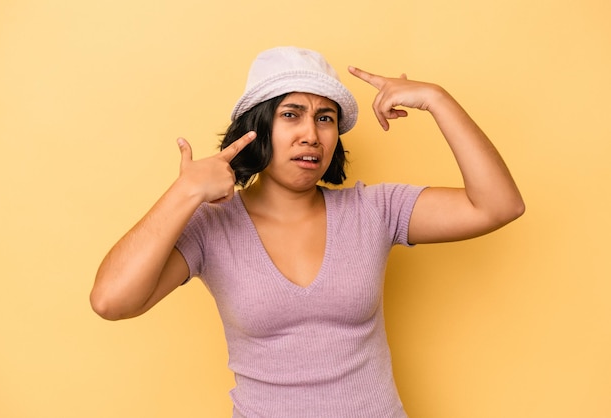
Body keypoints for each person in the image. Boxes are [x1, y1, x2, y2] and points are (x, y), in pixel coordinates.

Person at [90, 46, 525, 417]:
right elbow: (111, 301)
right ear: (257, 128)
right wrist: (183, 193)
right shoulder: (212, 228)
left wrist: (436, 98)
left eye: (325, 118)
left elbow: (498, 205)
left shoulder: (373, 210)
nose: (310, 135)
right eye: (291, 115)